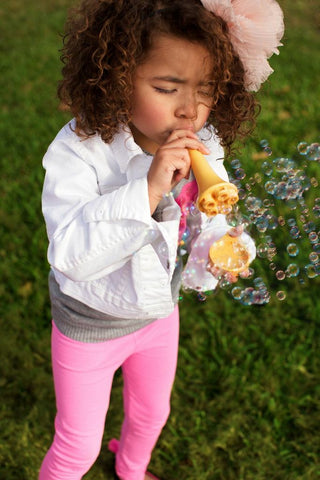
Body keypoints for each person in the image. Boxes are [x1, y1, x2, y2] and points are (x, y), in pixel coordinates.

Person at [39, 0, 284, 479]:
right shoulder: (79, 150)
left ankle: (131, 472)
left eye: (206, 90)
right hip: (90, 324)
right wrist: (149, 189)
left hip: (157, 315)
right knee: (77, 445)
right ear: (114, 78)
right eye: (167, 87)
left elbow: (212, 217)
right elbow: (69, 255)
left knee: (152, 414)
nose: (190, 108)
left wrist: (223, 247)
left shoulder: (204, 145)